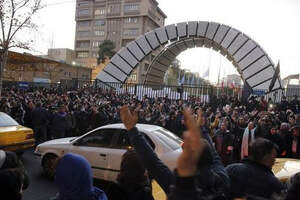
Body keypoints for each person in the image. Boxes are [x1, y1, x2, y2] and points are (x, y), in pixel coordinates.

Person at [120, 105, 229, 199]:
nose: (181, 145)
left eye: (185, 150)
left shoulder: (178, 186)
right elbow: (214, 155)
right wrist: (201, 130)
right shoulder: (222, 179)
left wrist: (132, 129)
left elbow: (152, 162)